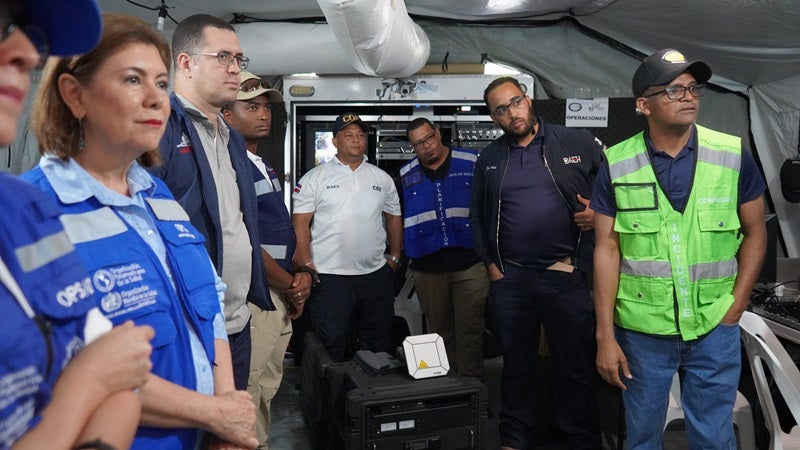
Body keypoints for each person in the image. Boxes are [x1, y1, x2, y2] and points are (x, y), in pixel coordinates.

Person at [21, 13, 258, 450]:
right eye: (133, 80)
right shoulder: (34, 213)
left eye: (162, 83)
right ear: (75, 96)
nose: (156, 99)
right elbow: (69, 366)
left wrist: (226, 404)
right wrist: (215, 413)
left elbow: (209, 298)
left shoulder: (158, 195)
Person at [593, 49, 767, 449]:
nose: (688, 96)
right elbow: (606, 249)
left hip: (713, 325)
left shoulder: (732, 154)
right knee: (641, 437)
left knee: (715, 435)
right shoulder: (617, 163)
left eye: (692, 88)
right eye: (673, 90)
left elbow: (756, 233)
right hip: (642, 332)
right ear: (643, 105)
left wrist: (736, 303)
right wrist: (605, 335)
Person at [0, 2, 155, 450]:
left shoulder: (22, 210)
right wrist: (86, 382)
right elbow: (104, 370)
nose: (27, 55)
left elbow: (123, 384)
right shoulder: (45, 195)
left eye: (33, 38)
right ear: (74, 97)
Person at [470, 76, 605, 450]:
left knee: (574, 369)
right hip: (511, 281)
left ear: (527, 100)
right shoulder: (490, 158)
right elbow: (477, 217)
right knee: (516, 369)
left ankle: (582, 441)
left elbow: (614, 189)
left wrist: (599, 214)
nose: (511, 113)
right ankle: (515, 439)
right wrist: (492, 267)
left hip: (565, 276)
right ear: (493, 116)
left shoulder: (575, 142)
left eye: (515, 102)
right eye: (500, 109)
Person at [150, 14, 274, 392]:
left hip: (236, 322)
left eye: (239, 58)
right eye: (223, 57)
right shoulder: (162, 127)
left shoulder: (232, 138)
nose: (235, 68)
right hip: (189, 323)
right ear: (186, 63)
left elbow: (238, 223)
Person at [222, 71, 311, 449]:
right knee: (250, 390)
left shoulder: (262, 164)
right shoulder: (230, 165)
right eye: (251, 106)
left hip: (277, 292)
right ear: (227, 115)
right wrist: (289, 284)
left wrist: (300, 273)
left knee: (267, 389)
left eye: (265, 107)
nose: (264, 114)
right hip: (259, 294)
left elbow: (278, 234)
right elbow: (245, 242)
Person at [292, 112, 402, 362]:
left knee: (378, 344)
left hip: (374, 275)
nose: (356, 140)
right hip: (330, 276)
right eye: (348, 135)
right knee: (330, 345)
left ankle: (372, 397)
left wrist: (394, 257)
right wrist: (307, 266)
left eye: (360, 135)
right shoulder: (315, 178)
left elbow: (394, 217)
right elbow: (300, 224)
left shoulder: (381, 178)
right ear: (335, 141)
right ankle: (329, 400)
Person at [396, 118, 488, 378]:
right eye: (418, 144)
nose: (426, 147)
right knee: (438, 332)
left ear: (438, 134)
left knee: (470, 330)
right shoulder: (405, 176)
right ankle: (446, 393)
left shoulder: (472, 161)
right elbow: (397, 217)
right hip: (428, 269)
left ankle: (472, 390)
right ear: (412, 147)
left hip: (470, 263)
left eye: (428, 139)